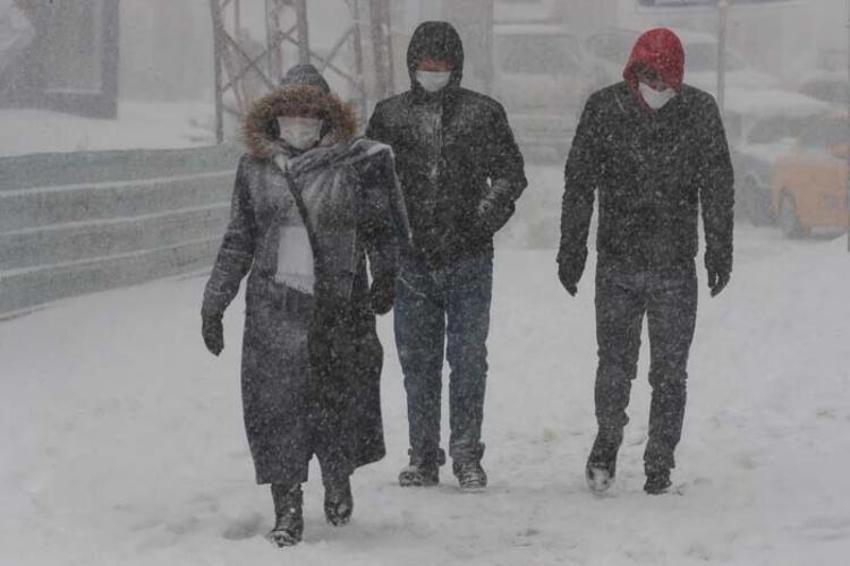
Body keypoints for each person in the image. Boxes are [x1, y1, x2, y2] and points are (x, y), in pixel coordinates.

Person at [201, 64, 409, 546]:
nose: (300, 124)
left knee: (338, 399)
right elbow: (239, 239)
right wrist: (214, 303)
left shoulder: (356, 164)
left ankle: (337, 477)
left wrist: (386, 275)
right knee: (277, 407)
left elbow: (382, 227)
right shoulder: (255, 168)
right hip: (275, 308)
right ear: (275, 118)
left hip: (340, 303)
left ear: (326, 118)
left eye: (309, 115)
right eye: (290, 115)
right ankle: (287, 504)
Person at [557, 28, 734, 495]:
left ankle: (660, 459)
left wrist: (720, 246)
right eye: (649, 76)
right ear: (634, 71)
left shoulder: (698, 112)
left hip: (675, 263)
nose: (658, 88)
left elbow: (717, 184)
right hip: (617, 260)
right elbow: (579, 183)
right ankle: (607, 441)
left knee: (670, 370)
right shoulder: (604, 108)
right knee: (615, 363)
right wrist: (571, 248)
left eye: (666, 79)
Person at [367, 21, 527, 491]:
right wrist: (386, 258)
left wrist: (478, 221)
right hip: (412, 261)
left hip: (469, 259)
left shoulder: (483, 114)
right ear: (412, 67)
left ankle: (465, 453)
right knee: (417, 362)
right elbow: (373, 192)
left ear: (456, 68)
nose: (432, 73)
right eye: (424, 66)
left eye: (440, 66)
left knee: (468, 358)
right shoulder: (389, 118)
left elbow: (509, 176)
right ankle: (422, 454)